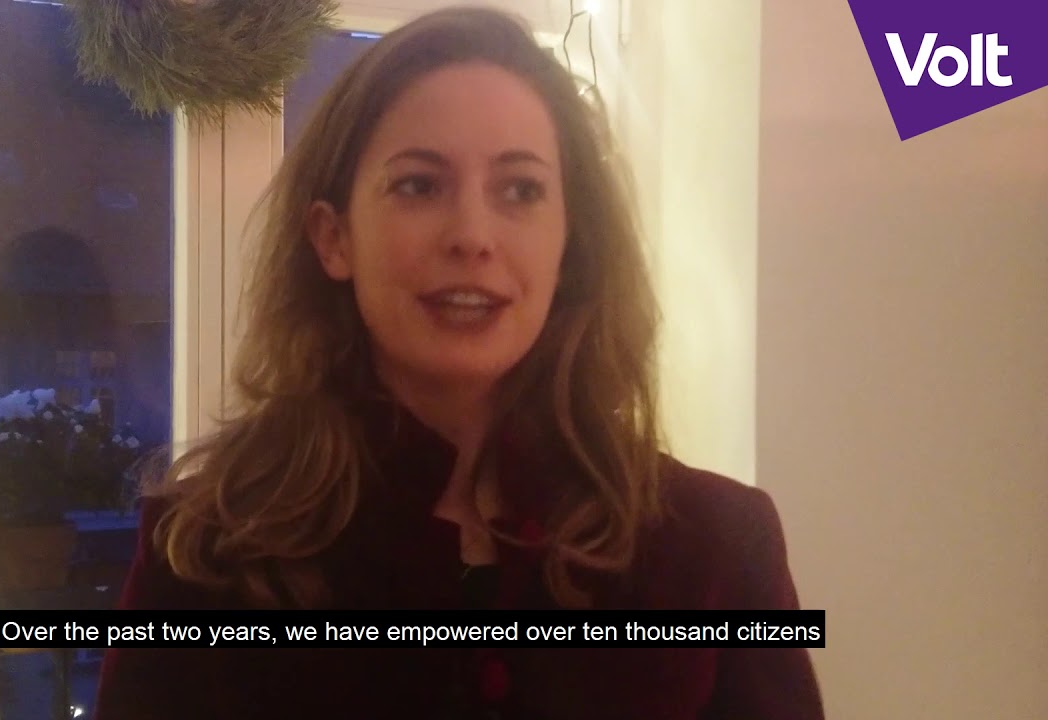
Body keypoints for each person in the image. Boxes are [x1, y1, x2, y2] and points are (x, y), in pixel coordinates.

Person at [94, 7, 824, 719]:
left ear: (569, 241)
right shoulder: (202, 553)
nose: (473, 235)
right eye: (419, 185)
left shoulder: (718, 545)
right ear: (333, 238)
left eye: (521, 190)